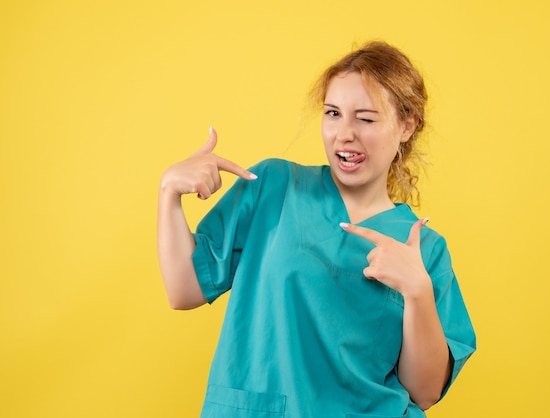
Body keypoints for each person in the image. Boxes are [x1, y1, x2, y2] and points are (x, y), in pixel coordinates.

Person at [157, 41, 476, 418]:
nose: (345, 133)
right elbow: (184, 290)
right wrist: (169, 193)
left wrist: (418, 292)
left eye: (366, 119)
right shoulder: (273, 186)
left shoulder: (425, 248)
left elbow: (424, 392)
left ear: (407, 126)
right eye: (333, 113)